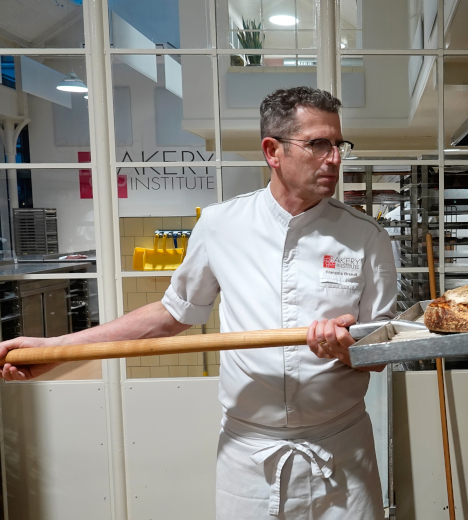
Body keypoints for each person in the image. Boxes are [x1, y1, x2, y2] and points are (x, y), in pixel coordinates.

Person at [0, 86, 397, 519]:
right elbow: (171, 315)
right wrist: (57, 350)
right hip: (249, 457)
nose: (335, 158)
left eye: (339, 144)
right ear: (272, 151)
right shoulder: (221, 225)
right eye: (319, 144)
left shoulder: (366, 237)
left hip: (341, 452)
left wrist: (350, 350)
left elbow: (379, 353)